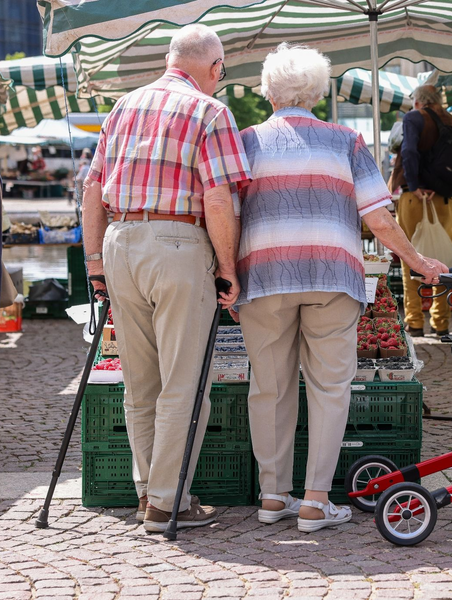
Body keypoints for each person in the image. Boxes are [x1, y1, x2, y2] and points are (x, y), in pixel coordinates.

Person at [234, 44, 447, 532]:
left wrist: (228, 272)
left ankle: (272, 497)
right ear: (318, 92)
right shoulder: (347, 142)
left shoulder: (245, 142)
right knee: (330, 388)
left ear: (267, 91)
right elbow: (379, 218)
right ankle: (313, 502)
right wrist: (416, 260)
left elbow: (228, 214)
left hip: (263, 277)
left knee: (268, 388)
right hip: (333, 276)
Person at [81, 24, 252, 533]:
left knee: (140, 381)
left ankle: (147, 492)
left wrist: (94, 263)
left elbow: (92, 191)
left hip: (120, 242)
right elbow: (219, 198)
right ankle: (166, 501)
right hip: (177, 243)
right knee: (183, 382)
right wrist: (228, 268)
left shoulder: (123, 106)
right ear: (214, 67)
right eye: (222, 70)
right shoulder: (210, 110)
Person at [388, 84, 452, 337]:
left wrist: (416, 183)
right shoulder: (451, 121)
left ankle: (415, 322)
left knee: (411, 259)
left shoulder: (413, 118)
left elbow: (408, 151)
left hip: (413, 199)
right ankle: (441, 324)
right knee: (443, 261)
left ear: (417, 102)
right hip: (445, 200)